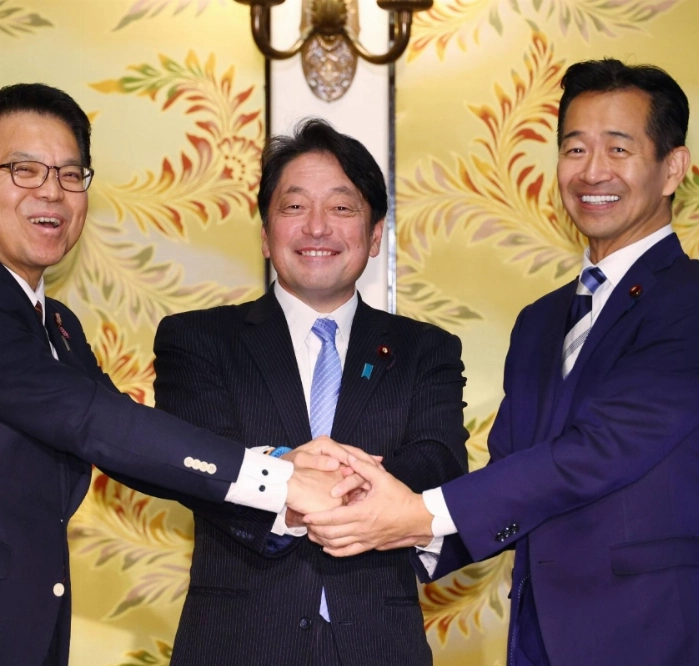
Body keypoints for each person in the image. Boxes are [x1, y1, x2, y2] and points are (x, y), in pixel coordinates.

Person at [0, 84, 355, 666]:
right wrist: (279, 482)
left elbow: (126, 438)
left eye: (70, 173)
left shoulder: (56, 325)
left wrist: (279, 468)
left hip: (18, 636)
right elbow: (94, 421)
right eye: (23, 170)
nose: (51, 191)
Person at [305, 59, 699, 666]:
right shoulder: (542, 321)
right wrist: (397, 528)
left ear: (672, 167)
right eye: (574, 148)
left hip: (661, 634)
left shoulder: (695, 306)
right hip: (543, 637)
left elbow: (596, 452)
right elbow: (516, 465)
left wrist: (416, 513)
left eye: (618, 149)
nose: (592, 171)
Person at [141, 118, 468, 665]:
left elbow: (439, 462)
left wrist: (307, 479)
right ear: (266, 234)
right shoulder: (197, 340)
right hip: (237, 642)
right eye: (294, 207)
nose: (317, 227)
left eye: (341, 208)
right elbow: (196, 463)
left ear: (374, 233)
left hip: (379, 642)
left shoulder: (426, 350)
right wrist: (303, 480)